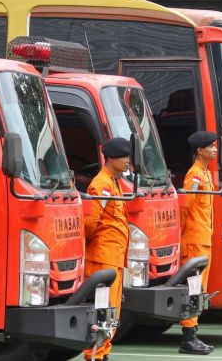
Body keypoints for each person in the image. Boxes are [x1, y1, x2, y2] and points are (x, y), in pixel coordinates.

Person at [83, 137, 130, 361]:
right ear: (111, 158)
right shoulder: (102, 184)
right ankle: (95, 355)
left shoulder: (114, 182)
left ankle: (103, 354)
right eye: (125, 157)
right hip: (103, 257)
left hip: (114, 257)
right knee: (102, 310)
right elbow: (92, 221)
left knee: (111, 312)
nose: (129, 161)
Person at [179, 131, 217, 355]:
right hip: (194, 241)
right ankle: (188, 337)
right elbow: (185, 208)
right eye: (210, 147)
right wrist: (184, 236)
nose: (214, 150)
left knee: (200, 289)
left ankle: (193, 333)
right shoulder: (194, 175)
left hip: (203, 239)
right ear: (200, 150)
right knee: (193, 288)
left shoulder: (205, 173)